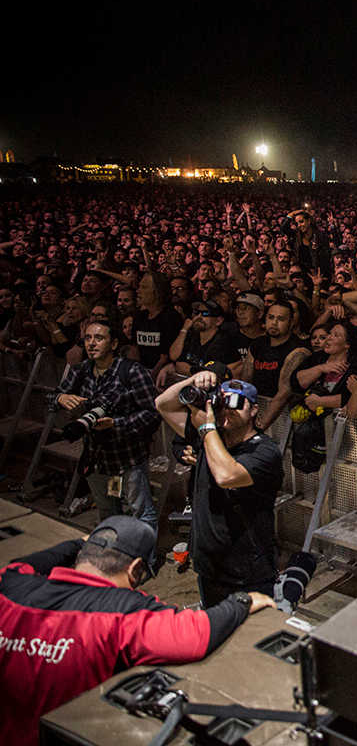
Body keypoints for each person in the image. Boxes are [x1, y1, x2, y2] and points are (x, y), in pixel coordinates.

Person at [0, 516, 275, 746]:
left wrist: (81, 543)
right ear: (134, 569)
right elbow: (195, 634)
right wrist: (242, 601)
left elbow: (27, 562)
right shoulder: (123, 613)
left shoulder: (11, 585)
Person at [156, 372, 283, 607]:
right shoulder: (210, 436)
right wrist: (193, 381)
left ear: (254, 410)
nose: (227, 409)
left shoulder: (265, 451)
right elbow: (163, 404)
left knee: (248, 637)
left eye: (237, 403)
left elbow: (227, 475)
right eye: (222, 402)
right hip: (209, 565)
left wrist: (206, 428)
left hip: (247, 570)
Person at [47, 320, 160, 531]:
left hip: (127, 456)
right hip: (95, 456)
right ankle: (115, 556)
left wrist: (116, 424)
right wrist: (60, 398)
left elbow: (154, 413)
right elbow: (50, 398)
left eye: (99, 338)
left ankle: (144, 562)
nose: (91, 343)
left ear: (114, 343)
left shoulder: (131, 371)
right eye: (87, 338)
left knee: (141, 512)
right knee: (107, 511)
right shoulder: (82, 370)